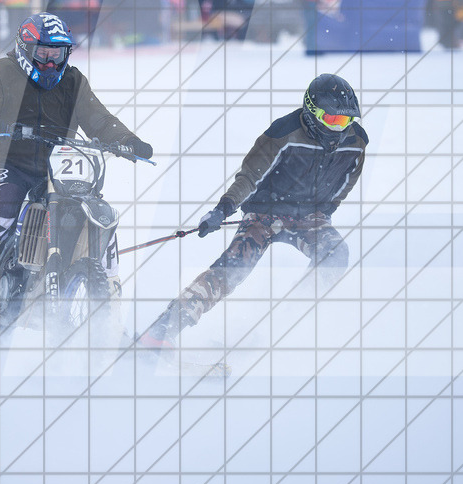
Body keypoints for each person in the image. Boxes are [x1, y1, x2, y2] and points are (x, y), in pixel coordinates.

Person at [138, 74, 367, 350]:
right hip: (265, 214)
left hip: (309, 216)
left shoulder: (356, 142)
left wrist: (326, 211)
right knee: (232, 269)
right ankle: (162, 330)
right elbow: (249, 177)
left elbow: (347, 180)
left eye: (345, 121)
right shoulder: (283, 133)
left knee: (335, 254)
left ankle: (282, 327)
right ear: (311, 111)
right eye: (331, 119)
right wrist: (222, 210)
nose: (338, 128)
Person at [0, 12, 154, 307]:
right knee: (6, 201)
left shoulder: (74, 81)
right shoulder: (0, 71)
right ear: (26, 50)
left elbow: (99, 119)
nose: (50, 62)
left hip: (56, 168)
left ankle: (110, 310)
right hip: (5, 163)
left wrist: (129, 141)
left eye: (57, 54)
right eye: (43, 53)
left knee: (96, 214)